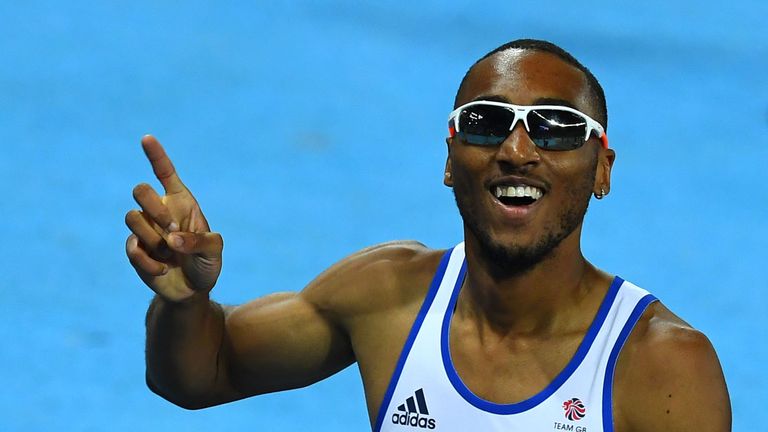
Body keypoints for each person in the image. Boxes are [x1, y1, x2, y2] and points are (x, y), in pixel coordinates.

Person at [125, 39, 731, 431]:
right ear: (449, 160)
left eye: (554, 128)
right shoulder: (386, 295)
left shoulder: (661, 366)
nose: (516, 150)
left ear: (601, 168)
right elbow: (201, 374)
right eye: (487, 123)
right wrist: (183, 301)